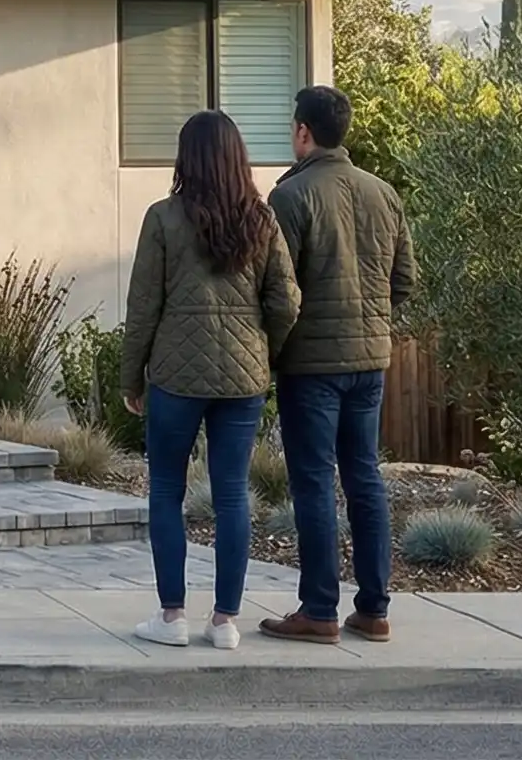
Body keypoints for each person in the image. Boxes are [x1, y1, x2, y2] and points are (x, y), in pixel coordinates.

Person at [120, 111, 302, 651]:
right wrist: (265, 349)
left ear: (187, 158)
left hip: (176, 377)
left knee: (166, 493)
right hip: (243, 379)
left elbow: (143, 306)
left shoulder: (162, 218)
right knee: (232, 497)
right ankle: (225, 622)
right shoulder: (262, 221)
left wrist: (132, 377)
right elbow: (287, 300)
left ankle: (171, 615)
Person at [261, 84, 412, 644]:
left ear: (303, 131)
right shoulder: (384, 194)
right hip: (370, 361)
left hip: (311, 366)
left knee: (314, 483)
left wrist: (275, 348)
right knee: (365, 478)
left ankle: (319, 608)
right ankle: (374, 609)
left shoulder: (291, 198)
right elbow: (405, 281)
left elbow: (278, 291)